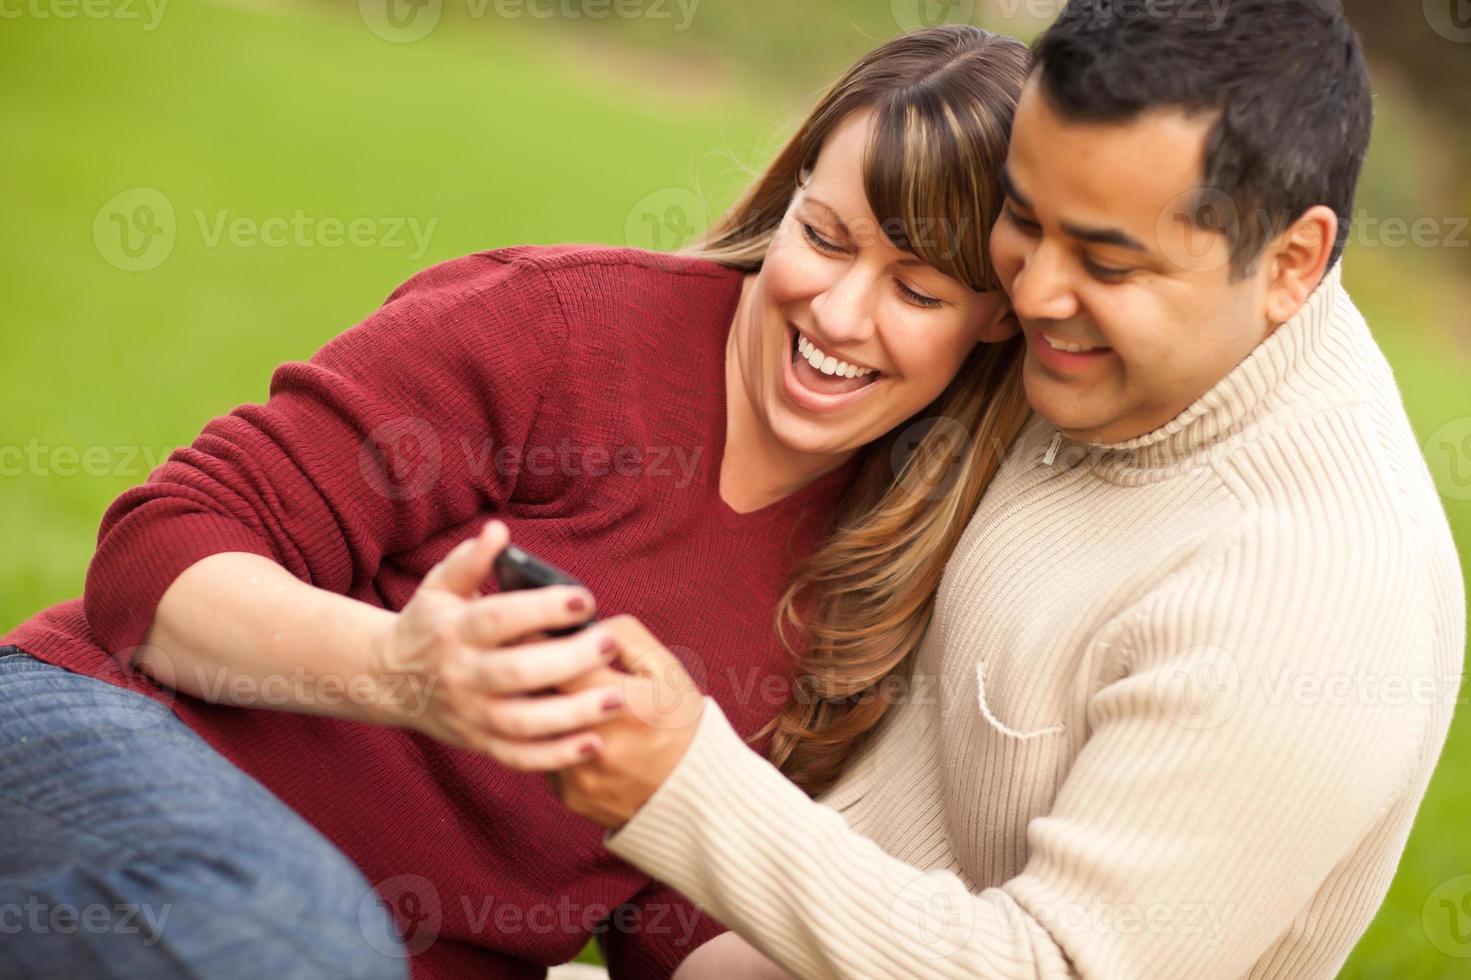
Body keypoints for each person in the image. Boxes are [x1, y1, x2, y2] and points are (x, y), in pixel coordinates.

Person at [0, 26, 1035, 980]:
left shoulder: (875, 578)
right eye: (825, 235)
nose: (839, 310)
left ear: (993, 321)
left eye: (917, 291)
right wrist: (399, 671)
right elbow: (158, 552)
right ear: (788, 197)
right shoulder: (563, 329)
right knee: (306, 931)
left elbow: (665, 925)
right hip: (108, 739)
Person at [494, 3, 1467, 978]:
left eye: (1104, 260)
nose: (1032, 291)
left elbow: (1053, 966)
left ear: (1291, 261)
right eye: (1023, 217)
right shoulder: (1141, 348)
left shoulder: (1312, 599)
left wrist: (683, 782)